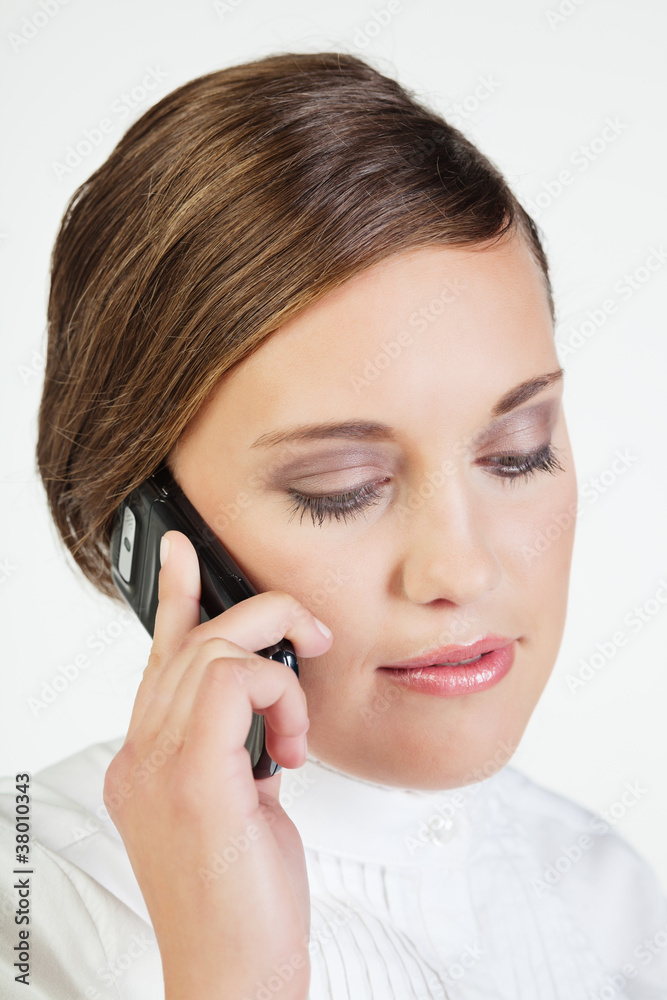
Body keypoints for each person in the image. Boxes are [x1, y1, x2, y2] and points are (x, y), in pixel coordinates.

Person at [1, 50, 665, 1000]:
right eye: (342, 487)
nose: (460, 567)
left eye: (515, 451)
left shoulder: (613, 893)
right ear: (144, 527)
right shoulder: (34, 896)